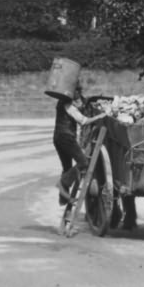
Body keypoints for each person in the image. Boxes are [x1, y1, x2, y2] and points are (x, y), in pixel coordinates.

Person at [44, 58, 105, 206]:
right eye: (78, 92)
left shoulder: (62, 103)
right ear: (74, 92)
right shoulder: (68, 104)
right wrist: (100, 116)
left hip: (57, 138)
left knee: (66, 167)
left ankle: (63, 198)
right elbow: (83, 120)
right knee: (83, 162)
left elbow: (80, 106)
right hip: (66, 138)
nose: (80, 95)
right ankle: (63, 183)